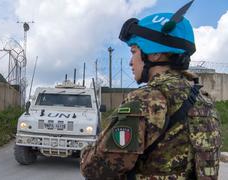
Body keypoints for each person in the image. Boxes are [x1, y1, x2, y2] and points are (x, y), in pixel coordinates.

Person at [80, 1, 222, 179]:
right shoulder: (205, 101)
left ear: (155, 53)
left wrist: (87, 152)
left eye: (133, 51)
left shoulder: (147, 101)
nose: (131, 62)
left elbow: (95, 169)